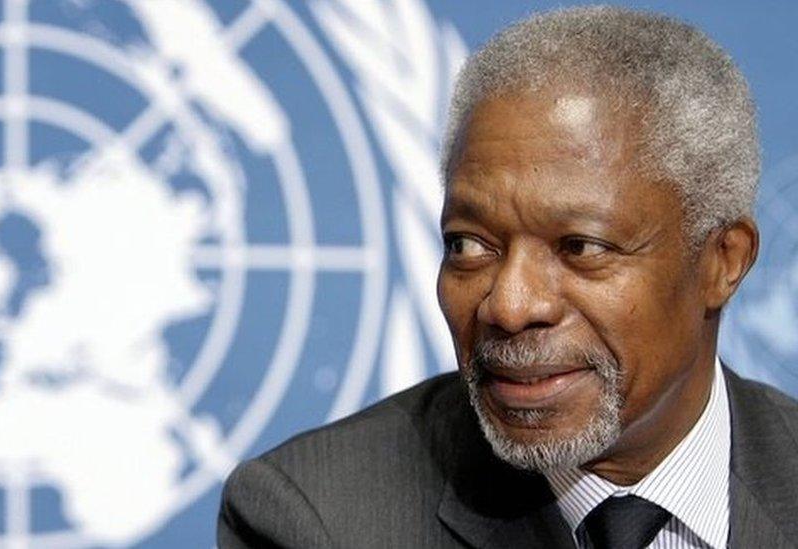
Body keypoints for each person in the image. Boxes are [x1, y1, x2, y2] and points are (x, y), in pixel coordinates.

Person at [217, 6, 798, 548]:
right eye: (469, 245)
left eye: (582, 247)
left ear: (723, 261)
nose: (510, 305)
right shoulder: (317, 519)